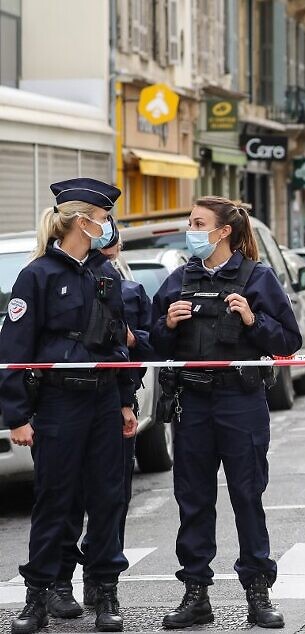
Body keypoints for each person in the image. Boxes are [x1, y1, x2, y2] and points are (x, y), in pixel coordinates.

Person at [150, 197, 302, 630]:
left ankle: (258, 594)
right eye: (190, 222)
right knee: (193, 500)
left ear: (223, 232)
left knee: (247, 497)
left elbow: (290, 340)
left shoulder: (258, 278)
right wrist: (169, 325)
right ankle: (196, 594)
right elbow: (152, 342)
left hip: (241, 403)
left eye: (199, 223)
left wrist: (253, 320)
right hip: (192, 404)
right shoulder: (180, 280)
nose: (190, 229)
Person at [1, 178, 138, 634]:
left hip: (102, 400)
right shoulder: (37, 275)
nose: (106, 226)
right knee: (54, 501)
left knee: (107, 499)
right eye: (101, 219)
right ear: (83, 221)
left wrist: (125, 403)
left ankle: (106, 594)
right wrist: (16, 415)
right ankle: (36, 598)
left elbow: (118, 343)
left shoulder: (103, 273)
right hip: (58, 402)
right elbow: (15, 350)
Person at [47, 218, 156, 620]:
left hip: (113, 401)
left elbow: (143, 347)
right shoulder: (58, 277)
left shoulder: (129, 289)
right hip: (67, 402)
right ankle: (59, 581)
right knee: (66, 496)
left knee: (111, 499)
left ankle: (101, 581)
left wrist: (129, 343)